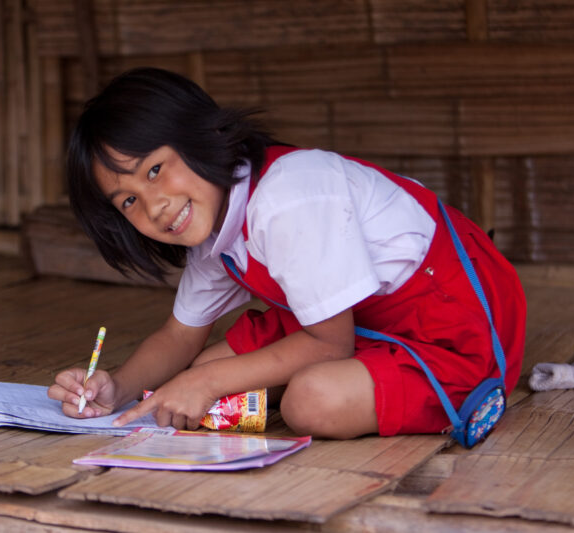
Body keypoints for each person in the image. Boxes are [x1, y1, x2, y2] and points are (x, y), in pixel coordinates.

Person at [47, 67, 526, 439]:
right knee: (204, 370)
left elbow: (328, 345)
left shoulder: (289, 195)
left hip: (447, 325)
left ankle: (461, 392)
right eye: (128, 200)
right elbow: (179, 335)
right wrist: (116, 389)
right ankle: (356, 380)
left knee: (309, 402)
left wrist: (207, 386)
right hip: (356, 323)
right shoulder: (214, 225)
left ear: (201, 136)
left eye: (154, 170)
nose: (154, 207)